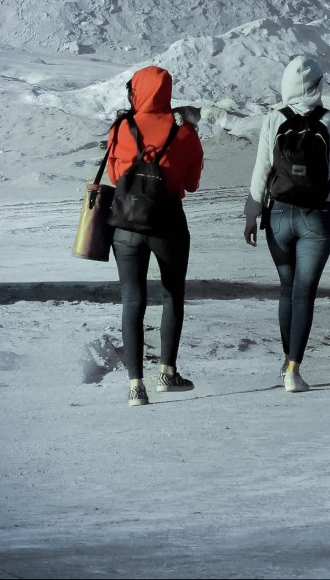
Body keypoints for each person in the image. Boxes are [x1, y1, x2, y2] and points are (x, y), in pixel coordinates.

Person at [244, 56, 330, 393]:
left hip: (278, 216)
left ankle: (287, 360)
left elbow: (262, 170)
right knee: (304, 294)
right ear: (319, 86)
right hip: (317, 218)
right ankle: (293, 368)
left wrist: (252, 213)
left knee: (287, 289)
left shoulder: (274, 120)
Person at [107, 65, 204, 407]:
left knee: (132, 301)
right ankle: (167, 373)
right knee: (172, 295)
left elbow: (115, 172)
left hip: (126, 225)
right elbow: (191, 184)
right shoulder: (185, 134)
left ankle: (135, 387)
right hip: (168, 224)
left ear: (137, 91)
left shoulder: (121, 127)